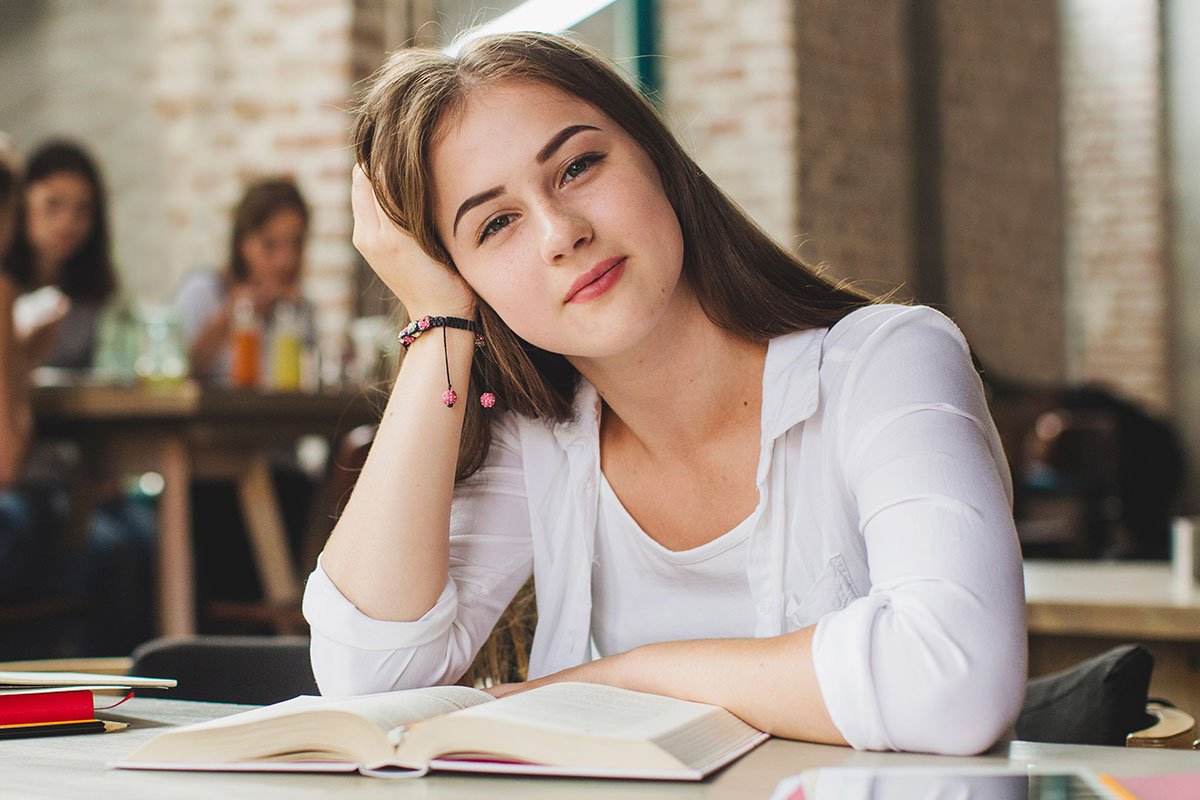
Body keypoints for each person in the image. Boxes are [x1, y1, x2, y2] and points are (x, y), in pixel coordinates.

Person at [303, 32, 1026, 755]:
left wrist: (612, 684)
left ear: (657, 157)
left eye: (578, 166)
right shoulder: (543, 444)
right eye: (495, 225)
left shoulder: (886, 363)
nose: (562, 233)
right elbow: (369, 685)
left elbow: (955, 682)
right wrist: (439, 325)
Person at [177, 177, 317, 384]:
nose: (286, 260)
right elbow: (179, 372)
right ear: (242, 244)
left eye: (296, 243)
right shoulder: (203, 291)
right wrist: (229, 317)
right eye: (270, 245)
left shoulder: (299, 308)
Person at [2, 140, 117, 370]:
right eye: (53, 205)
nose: (67, 224)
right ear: (21, 204)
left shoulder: (98, 294)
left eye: (82, 209)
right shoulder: (4, 289)